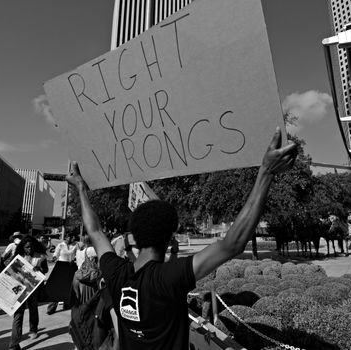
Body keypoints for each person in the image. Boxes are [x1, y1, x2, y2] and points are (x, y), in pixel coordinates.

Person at [66, 127, 297, 349]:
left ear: (134, 236)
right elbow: (233, 244)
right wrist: (266, 172)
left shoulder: (116, 273)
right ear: (169, 239)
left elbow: (95, 231)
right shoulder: (169, 278)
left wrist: (80, 189)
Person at [9, 235, 49, 350]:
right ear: (23, 248)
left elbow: (45, 269)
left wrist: (40, 269)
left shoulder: (40, 257)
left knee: (33, 308)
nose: (29, 250)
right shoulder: (18, 256)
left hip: (34, 289)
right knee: (18, 315)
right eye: (27, 247)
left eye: (31, 247)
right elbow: (9, 271)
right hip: (20, 289)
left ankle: (33, 329)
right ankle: (14, 344)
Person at [46, 232, 78, 315]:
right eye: (71, 238)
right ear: (66, 238)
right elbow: (55, 255)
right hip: (60, 266)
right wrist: (52, 259)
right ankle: (51, 307)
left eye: (73, 238)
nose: (73, 239)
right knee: (57, 287)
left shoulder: (75, 245)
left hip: (71, 267)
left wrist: (74, 260)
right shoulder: (60, 245)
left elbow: (78, 255)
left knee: (68, 286)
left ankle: (67, 304)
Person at [72, 235, 98, 304]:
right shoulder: (91, 250)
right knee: (88, 303)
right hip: (87, 279)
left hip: (78, 278)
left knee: (80, 301)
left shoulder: (78, 251)